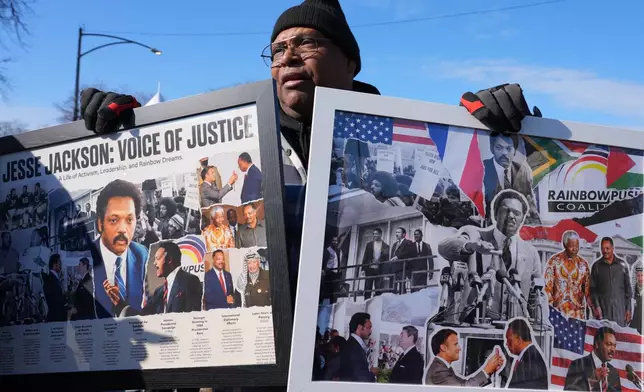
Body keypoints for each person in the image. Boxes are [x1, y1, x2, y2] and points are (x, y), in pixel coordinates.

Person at [78, 0, 541, 312]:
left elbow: (462, 209)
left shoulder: (405, 144)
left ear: (350, 62)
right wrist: (125, 139)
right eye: (278, 50)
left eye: (308, 43)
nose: (289, 57)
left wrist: (505, 135)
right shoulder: (236, 144)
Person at [438, 189, 541, 319]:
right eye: (506, 210)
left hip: (513, 330)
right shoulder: (475, 235)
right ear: (495, 214)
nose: (511, 216)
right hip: (471, 325)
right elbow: (443, 247)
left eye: (516, 213)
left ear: (522, 219)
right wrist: (472, 246)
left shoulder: (531, 253)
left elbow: (536, 296)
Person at [89, 179, 148, 319]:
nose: (123, 229)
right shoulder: (85, 259)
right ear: (100, 223)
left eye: (129, 220)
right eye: (114, 220)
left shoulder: (143, 255)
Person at [105, 241, 202, 316]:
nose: (154, 263)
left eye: (157, 258)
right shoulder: (159, 292)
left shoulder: (190, 281)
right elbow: (143, 317)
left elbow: (192, 319)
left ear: (169, 259)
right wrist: (118, 302)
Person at [483, 133, 539, 223]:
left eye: (509, 148)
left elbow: (531, 206)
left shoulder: (523, 171)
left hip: (516, 227)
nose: (504, 153)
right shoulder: (481, 169)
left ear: (515, 151)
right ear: (491, 148)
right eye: (499, 148)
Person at [425, 328, 504, 386]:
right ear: (443, 348)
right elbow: (464, 388)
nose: (459, 348)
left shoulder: (443, 367)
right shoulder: (439, 371)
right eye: (455, 344)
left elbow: (464, 383)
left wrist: (490, 371)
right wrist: (487, 369)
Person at [544, 231, 591, 319]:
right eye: (572, 246)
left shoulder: (583, 264)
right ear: (565, 245)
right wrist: (550, 306)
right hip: (558, 312)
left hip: (577, 314)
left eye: (577, 246)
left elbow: (588, 291)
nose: (575, 249)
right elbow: (547, 287)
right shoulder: (554, 261)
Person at [590, 237, 632, 327]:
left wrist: (628, 309)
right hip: (603, 314)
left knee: (620, 340)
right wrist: (597, 307)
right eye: (603, 248)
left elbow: (628, 290)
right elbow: (593, 290)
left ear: (613, 248)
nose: (605, 251)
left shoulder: (622, 265)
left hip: (620, 314)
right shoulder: (596, 266)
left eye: (607, 248)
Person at [564, 326, 622, 392]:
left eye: (614, 346)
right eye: (609, 344)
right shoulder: (578, 365)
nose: (613, 350)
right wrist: (591, 383)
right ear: (597, 344)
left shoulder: (614, 372)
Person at [504, 318, 548, 390]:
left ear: (519, 339)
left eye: (509, 341)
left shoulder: (532, 359)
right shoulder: (529, 355)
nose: (506, 344)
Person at [338, 312, 378, 382]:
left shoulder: (352, 345)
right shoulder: (354, 348)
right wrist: (372, 373)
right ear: (360, 327)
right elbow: (360, 377)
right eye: (369, 328)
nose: (371, 331)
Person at [360, 228, 389, 300]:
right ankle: (366, 303)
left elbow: (386, 259)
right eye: (374, 234)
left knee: (378, 289)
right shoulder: (369, 244)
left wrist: (381, 265)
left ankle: (376, 305)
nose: (374, 235)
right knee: (367, 289)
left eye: (376, 234)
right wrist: (363, 269)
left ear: (380, 234)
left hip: (379, 270)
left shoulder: (386, 246)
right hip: (369, 270)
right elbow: (365, 257)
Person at [389, 227, 416, 294]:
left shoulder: (408, 242)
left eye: (398, 232)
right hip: (394, 268)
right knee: (392, 287)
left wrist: (397, 257)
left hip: (402, 268)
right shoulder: (395, 244)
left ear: (404, 234)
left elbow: (408, 252)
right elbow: (392, 255)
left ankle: (402, 299)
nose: (396, 234)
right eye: (396, 232)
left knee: (402, 286)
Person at [42, 254, 66, 322]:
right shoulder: (50, 279)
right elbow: (55, 301)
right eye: (59, 263)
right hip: (56, 318)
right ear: (55, 264)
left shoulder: (54, 278)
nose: (61, 266)